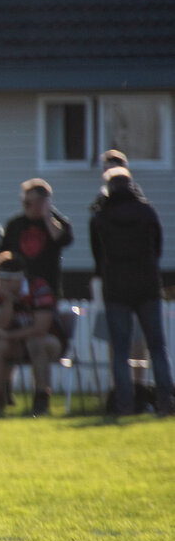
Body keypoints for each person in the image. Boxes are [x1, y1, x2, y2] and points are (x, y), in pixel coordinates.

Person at [90, 168, 169, 416]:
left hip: (116, 288)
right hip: (147, 285)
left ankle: (124, 405)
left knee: (121, 350)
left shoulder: (101, 216)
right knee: (156, 346)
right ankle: (165, 403)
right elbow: (157, 247)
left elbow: (98, 255)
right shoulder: (147, 211)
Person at [0, 252, 60, 417]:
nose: (2, 284)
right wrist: (8, 302)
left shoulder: (38, 288)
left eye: (7, 280)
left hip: (49, 342)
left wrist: (8, 336)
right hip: (17, 343)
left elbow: (40, 328)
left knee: (36, 343)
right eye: (1, 280)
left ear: (19, 279)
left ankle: (41, 399)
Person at [1, 179, 74, 295]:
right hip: (21, 287)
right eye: (24, 202)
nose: (25, 207)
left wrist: (47, 217)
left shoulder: (56, 223)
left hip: (47, 287)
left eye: (28, 203)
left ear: (43, 202)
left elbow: (63, 240)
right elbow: (3, 253)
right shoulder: (15, 224)